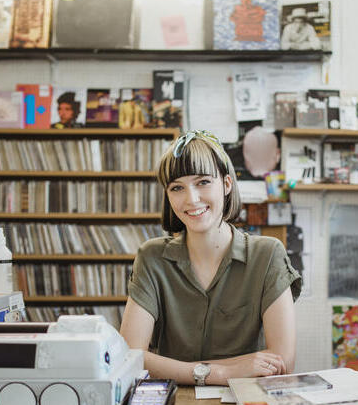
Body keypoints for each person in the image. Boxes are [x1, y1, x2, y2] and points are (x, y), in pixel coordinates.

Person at [120, 130, 301, 386]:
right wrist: (222, 373)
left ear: (227, 184)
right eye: (177, 187)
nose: (191, 199)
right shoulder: (151, 257)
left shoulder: (268, 254)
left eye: (203, 182)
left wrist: (172, 368)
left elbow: (281, 362)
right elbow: (130, 358)